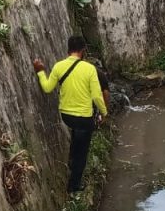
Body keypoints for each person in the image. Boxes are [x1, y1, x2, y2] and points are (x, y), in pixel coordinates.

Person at [32, 36, 108, 193]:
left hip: (66, 116)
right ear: (83, 51)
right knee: (83, 152)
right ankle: (74, 186)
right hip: (84, 118)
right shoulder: (89, 69)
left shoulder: (59, 66)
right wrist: (104, 112)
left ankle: (71, 162)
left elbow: (47, 88)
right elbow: (96, 96)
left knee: (77, 135)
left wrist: (40, 72)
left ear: (68, 49)